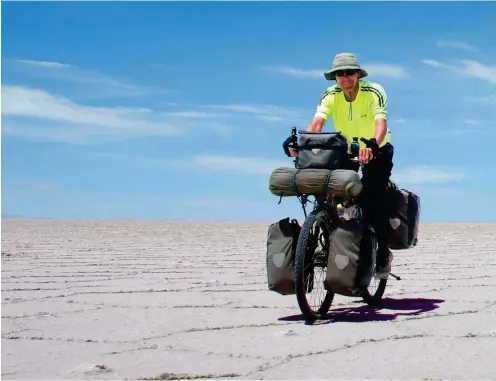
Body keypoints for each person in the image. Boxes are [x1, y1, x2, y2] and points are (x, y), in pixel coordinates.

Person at [289, 52, 394, 279]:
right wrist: (303, 144)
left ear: (358, 74)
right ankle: (330, 232)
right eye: (339, 74)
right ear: (334, 77)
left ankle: (383, 252)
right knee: (330, 191)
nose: (345, 77)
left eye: (349, 72)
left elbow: (381, 123)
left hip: (377, 150)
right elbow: (317, 122)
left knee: (372, 199)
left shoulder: (373, 91)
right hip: (346, 150)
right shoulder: (330, 94)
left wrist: (373, 146)